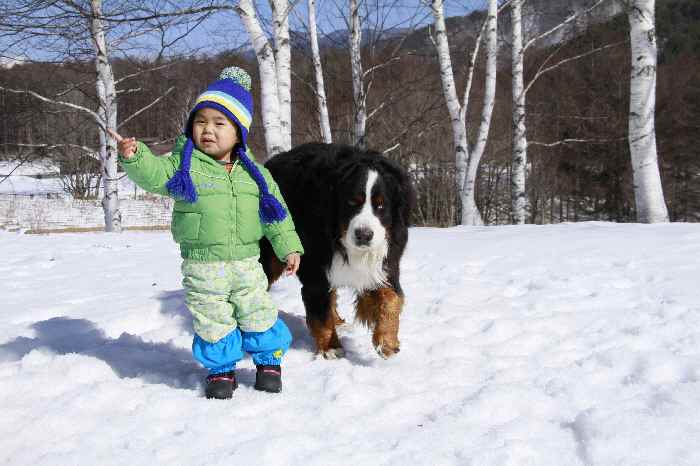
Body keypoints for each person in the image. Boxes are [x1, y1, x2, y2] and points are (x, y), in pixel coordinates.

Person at [110, 66, 303, 400]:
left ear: (239, 131)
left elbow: (277, 215)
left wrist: (289, 248)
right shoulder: (183, 165)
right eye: (201, 122)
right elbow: (154, 174)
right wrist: (136, 156)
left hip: (246, 262)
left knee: (257, 310)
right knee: (213, 318)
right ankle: (221, 369)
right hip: (203, 265)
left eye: (219, 123)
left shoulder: (254, 174)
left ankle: (269, 361)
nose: (208, 130)